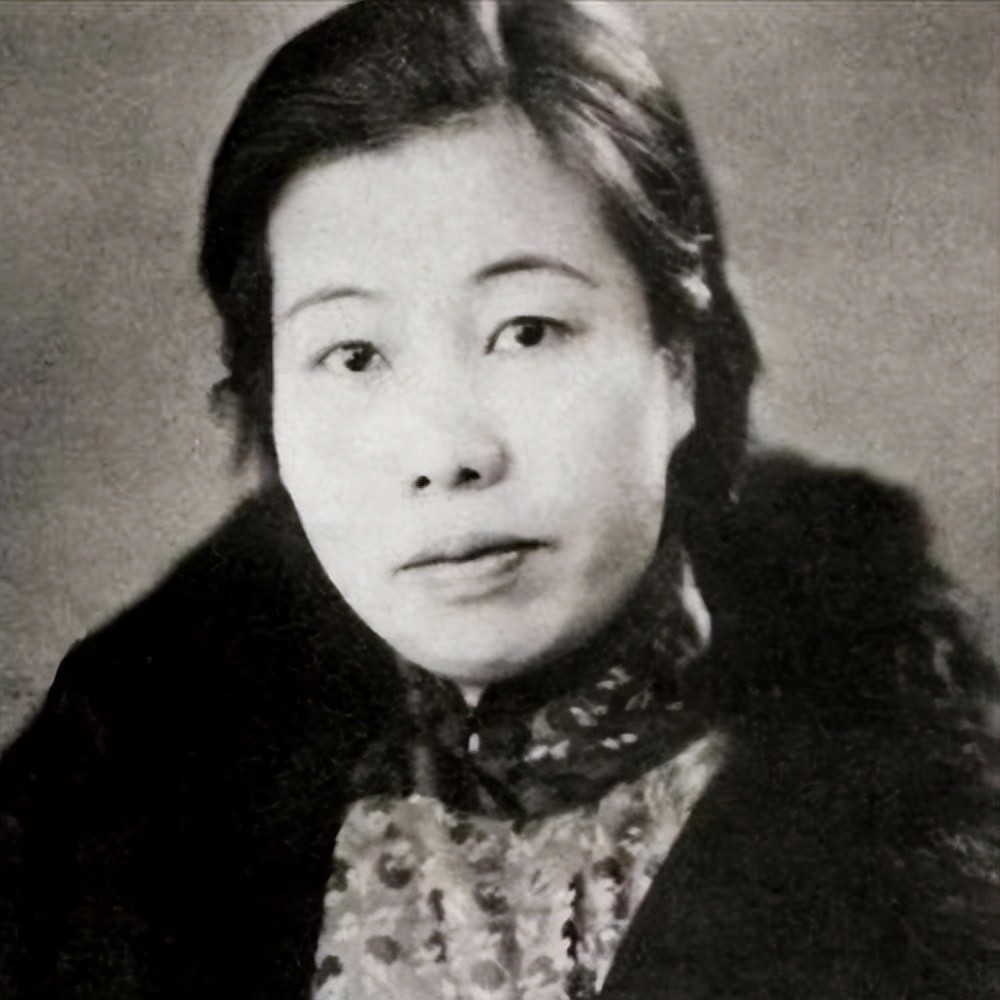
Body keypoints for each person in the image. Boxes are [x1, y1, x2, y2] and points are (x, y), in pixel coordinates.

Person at [1, 2, 995, 998]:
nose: (446, 454)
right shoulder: (122, 829)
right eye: (353, 354)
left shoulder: (905, 861)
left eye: (526, 331)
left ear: (678, 363)